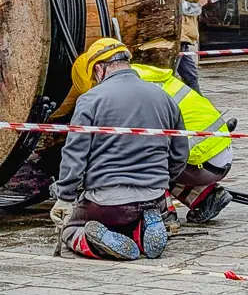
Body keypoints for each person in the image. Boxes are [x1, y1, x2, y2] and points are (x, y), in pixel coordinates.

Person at [50, 38, 188, 260]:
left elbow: (75, 153)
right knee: (128, 218)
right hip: (154, 196)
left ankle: (95, 241)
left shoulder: (90, 100)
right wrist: (160, 182)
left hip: (107, 201)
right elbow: (181, 153)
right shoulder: (163, 97)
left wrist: (65, 196)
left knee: (71, 228)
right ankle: (143, 229)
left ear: (98, 69)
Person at [132, 64, 233, 227]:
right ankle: (205, 196)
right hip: (217, 153)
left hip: (202, 157)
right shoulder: (154, 80)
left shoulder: (137, 90)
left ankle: (165, 213)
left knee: (140, 159)